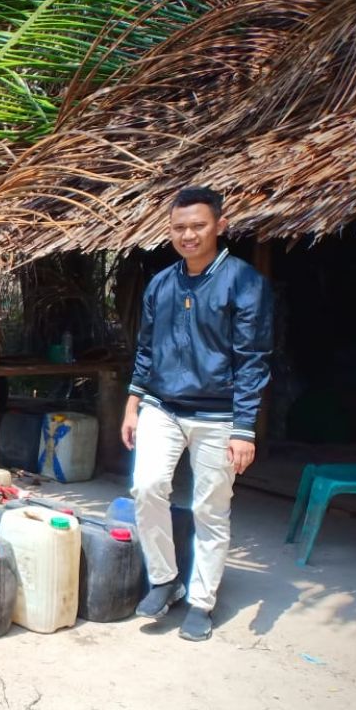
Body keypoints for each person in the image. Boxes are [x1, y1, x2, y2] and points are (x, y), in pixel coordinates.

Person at [122, 186, 272, 642]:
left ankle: (201, 601)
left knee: (211, 507)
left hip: (219, 415)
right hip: (161, 407)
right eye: (179, 227)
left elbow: (253, 359)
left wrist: (244, 429)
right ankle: (166, 579)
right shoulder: (162, 283)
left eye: (198, 226)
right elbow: (146, 350)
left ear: (220, 226)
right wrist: (133, 403)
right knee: (146, 488)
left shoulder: (245, 282)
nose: (188, 235)